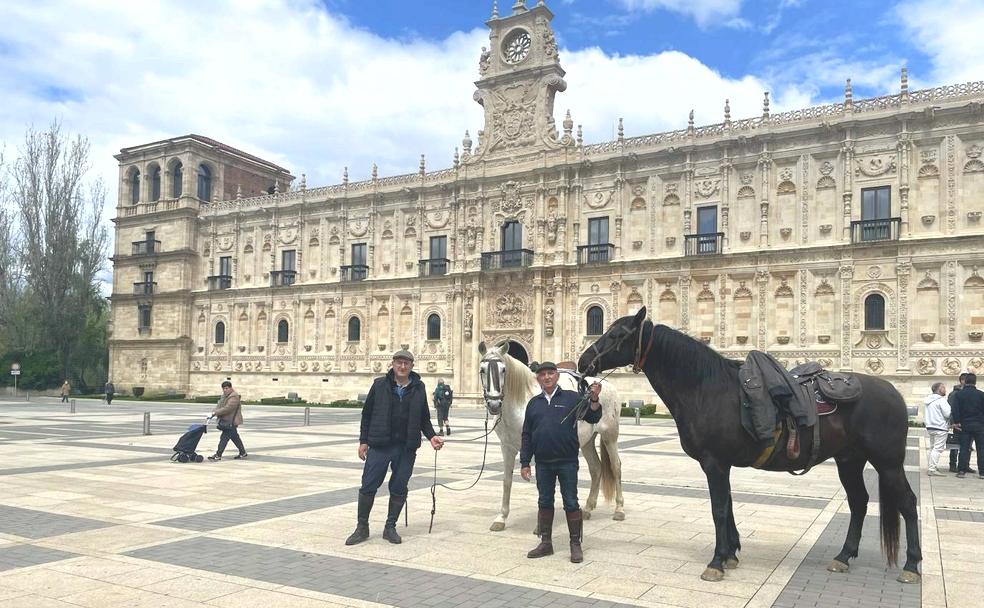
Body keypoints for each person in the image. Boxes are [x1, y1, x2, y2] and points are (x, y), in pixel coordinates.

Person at [346, 350, 444, 546]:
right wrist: (363, 441)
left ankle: (390, 527)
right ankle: (362, 527)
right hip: (380, 444)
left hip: (406, 447)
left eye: (406, 363)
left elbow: (424, 417)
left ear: (411, 366)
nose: (402, 367)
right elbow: (367, 414)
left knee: (399, 487)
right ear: (392, 364)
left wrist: (432, 435)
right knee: (368, 485)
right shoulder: (379, 385)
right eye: (399, 363)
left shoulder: (418, 387)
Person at [520, 362, 602, 563]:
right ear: (538, 378)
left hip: (567, 461)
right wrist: (524, 462)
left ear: (556, 376)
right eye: (542, 374)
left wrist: (594, 398)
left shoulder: (571, 398)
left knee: (571, 502)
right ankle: (545, 542)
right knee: (544, 501)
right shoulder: (533, 404)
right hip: (543, 462)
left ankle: (575, 544)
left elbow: (593, 416)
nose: (546, 377)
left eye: (550, 373)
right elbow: (527, 434)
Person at [952, 372, 984, 479]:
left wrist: (957, 421)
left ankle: (961, 470)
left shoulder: (959, 394)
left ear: (965, 381)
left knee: (964, 448)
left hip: (964, 425)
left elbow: (955, 409)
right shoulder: (981, 394)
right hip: (979, 425)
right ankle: (982, 472)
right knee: (981, 449)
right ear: (975, 382)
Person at [208, 381, 247, 461]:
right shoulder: (224, 396)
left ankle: (218, 455)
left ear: (230, 388)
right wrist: (213, 412)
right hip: (227, 421)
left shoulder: (234, 396)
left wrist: (215, 413)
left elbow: (228, 408)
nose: (225, 390)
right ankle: (243, 453)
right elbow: (219, 405)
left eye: (226, 388)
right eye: (223, 389)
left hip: (231, 421)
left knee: (224, 438)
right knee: (235, 438)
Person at [948, 373, 975, 473]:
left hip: (968, 423)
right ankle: (953, 464)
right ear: (962, 381)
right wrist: (954, 423)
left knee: (968, 445)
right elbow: (951, 409)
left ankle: (965, 465)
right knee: (955, 444)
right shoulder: (955, 394)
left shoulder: (968, 393)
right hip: (958, 424)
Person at [924, 382, 951, 477]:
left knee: (932, 447)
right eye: (943, 387)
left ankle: (932, 466)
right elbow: (947, 414)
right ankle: (932, 469)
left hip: (930, 426)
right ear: (939, 389)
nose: (945, 389)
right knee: (938, 448)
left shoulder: (928, 400)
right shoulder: (941, 400)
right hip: (940, 427)